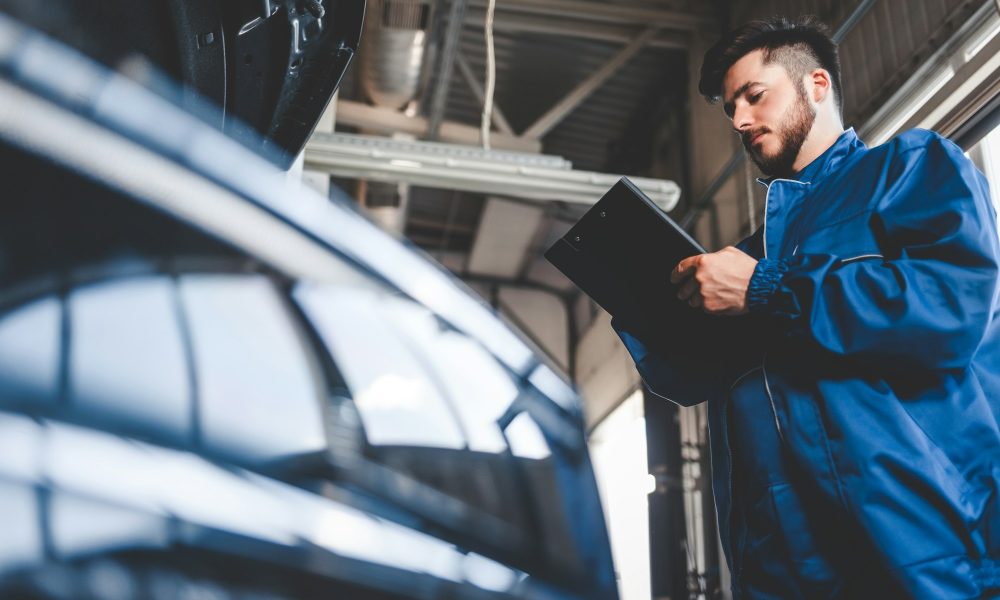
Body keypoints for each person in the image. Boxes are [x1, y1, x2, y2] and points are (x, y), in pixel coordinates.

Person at [612, 16, 1000, 599]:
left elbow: (950, 310)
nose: (739, 120)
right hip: (782, 566)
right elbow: (690, 378)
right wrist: (642, 298)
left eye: (753, 95)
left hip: (920, 549)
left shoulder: (909, 169)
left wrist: (768, 290)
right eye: (730, 109)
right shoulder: (751, 253)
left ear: (816, 84)